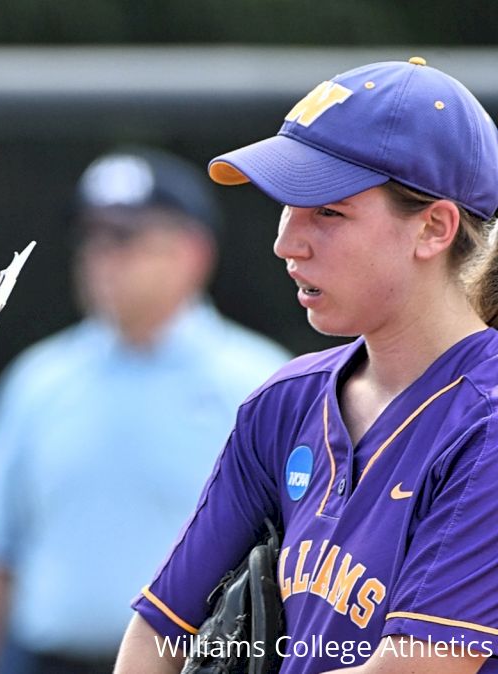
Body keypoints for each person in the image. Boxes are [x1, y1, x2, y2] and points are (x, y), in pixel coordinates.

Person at [116, 58, 498, 674]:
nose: (286, 242)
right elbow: (158, 629)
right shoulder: (285, 403)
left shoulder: (484, 421)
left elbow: (419, 668)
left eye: (327, 211)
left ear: (432, 227)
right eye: (287, 205)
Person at [0, 148, 290, 674]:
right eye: (92, 238)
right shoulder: (39, 380)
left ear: (192, 253)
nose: (101, 257)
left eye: (125, 238)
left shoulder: (264, 383)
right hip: (56, 663)